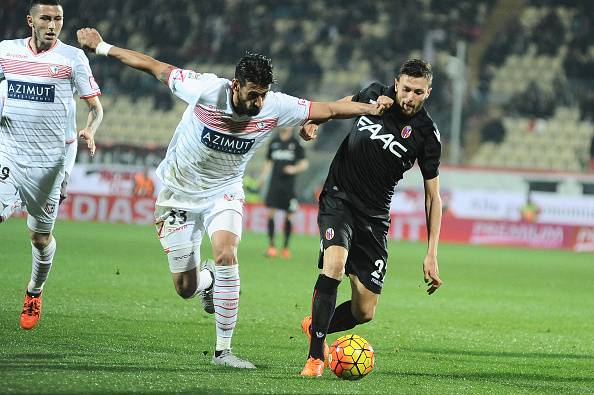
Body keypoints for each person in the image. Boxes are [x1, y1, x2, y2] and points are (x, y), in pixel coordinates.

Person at [76, 27, 391, 369]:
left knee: (227, 253)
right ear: (236, 85)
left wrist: (371, 110)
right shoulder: (205, 89)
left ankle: (223, 352)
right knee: (185, 287)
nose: (259, 103)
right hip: (178, 193)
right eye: (253, 94)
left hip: (224, 190)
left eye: (263, 95)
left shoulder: (273, 105)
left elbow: (328, 108)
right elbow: (154, 66)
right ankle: (207, 280)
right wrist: (103, 47)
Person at [298, 59, 444, 377]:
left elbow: (433, 197)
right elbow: (343, 106)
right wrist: (316, 120)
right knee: (334, 265)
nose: (409, 96)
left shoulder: (427, 137)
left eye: (418, 92)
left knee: (364, 311)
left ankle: (316, 324)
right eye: (405, 89)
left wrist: (431, 252)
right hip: (339, 198)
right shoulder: (375, 94)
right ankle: (315, 359)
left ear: (428, 93)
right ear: (396, 83)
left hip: (374, 218)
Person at [0, 0, 103, 330]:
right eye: (46, 17)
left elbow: (96, 108)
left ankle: (34, 291)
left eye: (58, 18)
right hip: (8, 151)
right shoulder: (6, 51)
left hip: (50, 162)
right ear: (30, 20)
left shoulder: (73, 58)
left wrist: (90, 128)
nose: (52, 24)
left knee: (40, 238)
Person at [259, 127, 308, 259]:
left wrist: (294, 168)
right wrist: (262, 178)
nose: (287, 125)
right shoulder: (274, 142)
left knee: (289, 216)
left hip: (289, 187)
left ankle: (285, 248)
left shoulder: (295, 143)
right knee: (270, 214)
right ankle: (271, 246)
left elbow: (304, 163)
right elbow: (268, 162)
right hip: (274, 185)